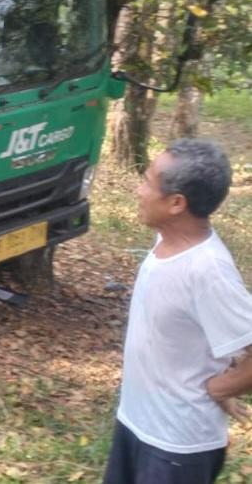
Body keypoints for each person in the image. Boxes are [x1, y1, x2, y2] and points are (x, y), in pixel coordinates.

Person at [104, 139, 251, 484]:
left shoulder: (208, 270)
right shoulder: (165, 241)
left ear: (176, 203)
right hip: (135, 423)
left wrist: (222, 388)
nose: (138, 191)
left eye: (147, 182)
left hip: (176, 449)